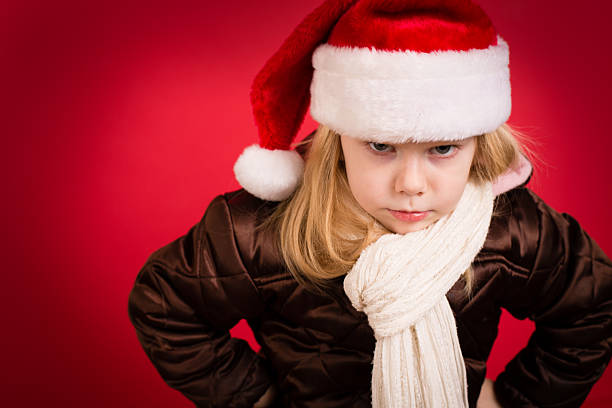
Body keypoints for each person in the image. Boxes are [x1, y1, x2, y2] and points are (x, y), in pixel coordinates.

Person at [127, 0, 612, 407]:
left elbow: (593, 307)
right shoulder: (262, 229)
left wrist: (512, 399)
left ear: (479, 144)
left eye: (443, 148)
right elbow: (164, 306)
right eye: (381, 147)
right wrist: (256, 397)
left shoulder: (510, 228)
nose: (411, 184)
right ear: (339, 140)